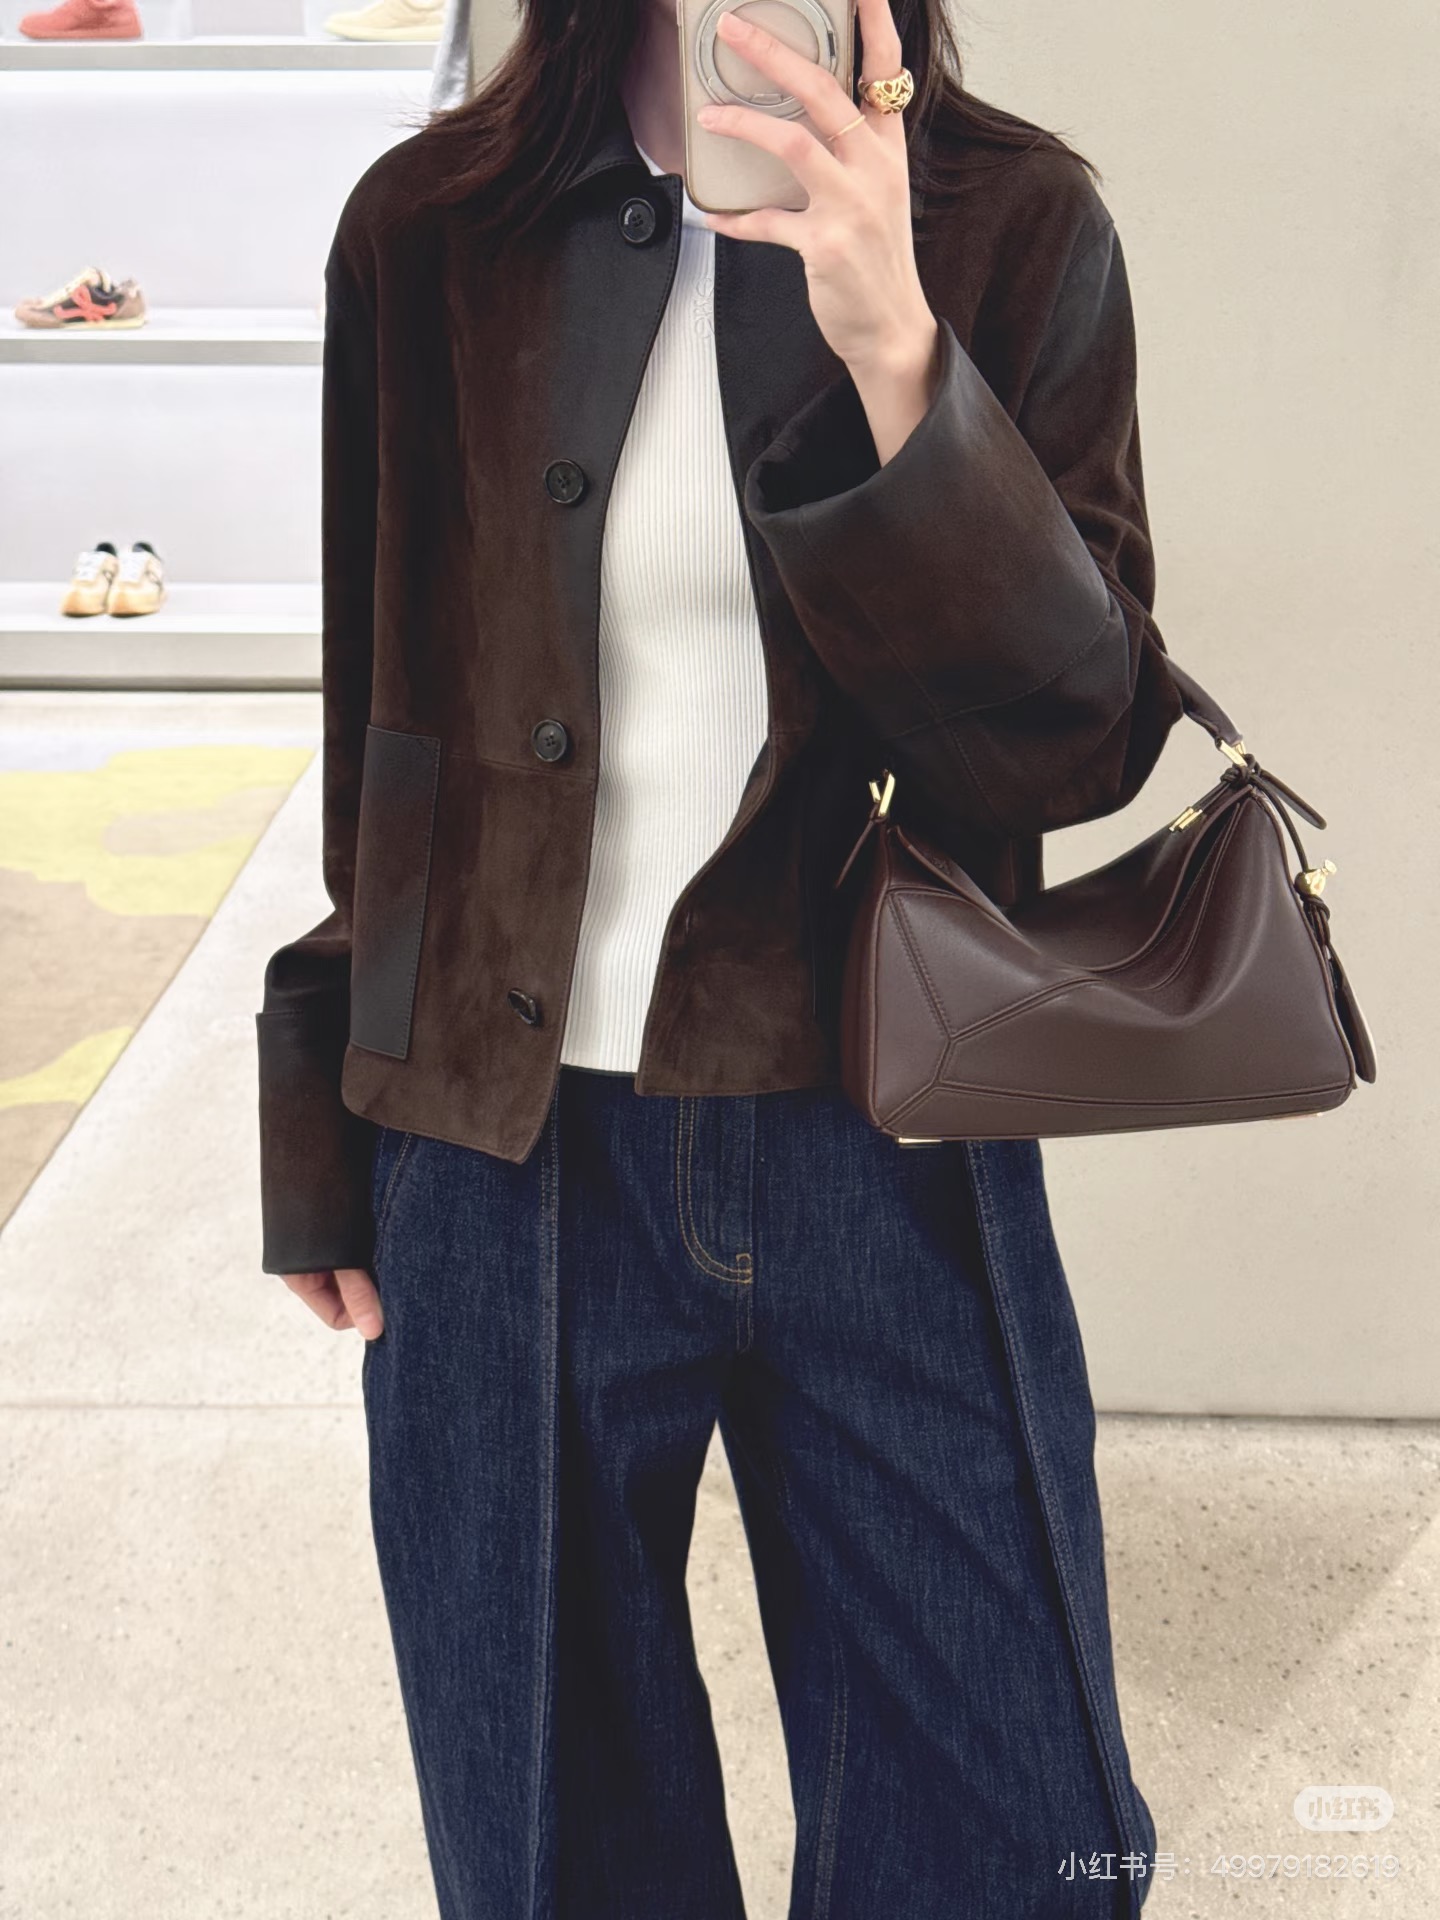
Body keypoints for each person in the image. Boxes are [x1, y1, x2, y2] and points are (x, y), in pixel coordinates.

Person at [256, 0, 1185, 1912]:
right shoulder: (431, 226)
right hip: (500, 1157)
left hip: (884, 1139)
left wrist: (898, 347)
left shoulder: (1010, 221)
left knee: (1016, 1833)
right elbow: (382, 727)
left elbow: (1078, 749)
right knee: (551, 1840)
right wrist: (322, 1113)